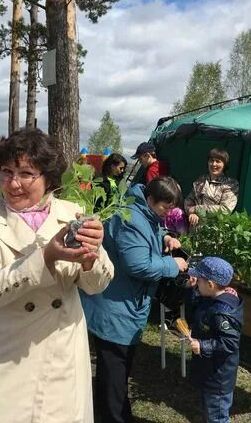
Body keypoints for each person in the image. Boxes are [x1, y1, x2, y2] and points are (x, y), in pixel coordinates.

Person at [0, 128, 114, 423]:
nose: (13, 183)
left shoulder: (73, 214)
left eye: (26, 173)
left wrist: (92, 256)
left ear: (48, 177)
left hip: (58, 358)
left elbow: (96, 286)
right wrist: (46, 257)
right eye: (6, 171)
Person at [81, 176, 188, 423]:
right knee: (115, 366)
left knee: (115, 366)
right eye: (165, 207)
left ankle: (110, 411)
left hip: (124, 301)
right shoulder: (131, 220)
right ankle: (114, 416)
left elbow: (153, 225)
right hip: (115, 304)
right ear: (150, 199)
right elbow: (138, 265)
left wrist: (164, 237)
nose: (167, 212)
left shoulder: (141, 209)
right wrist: (172, 264)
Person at [187, 256, 243, 423]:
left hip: (218, 379)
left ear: (210, 285)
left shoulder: (222, 312)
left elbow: (229, 342)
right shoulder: (211, 298)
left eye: (199, 280)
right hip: (209, 372)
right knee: (209, 412)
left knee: (217, 416)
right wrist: (191, 290)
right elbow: (196, 309)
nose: (196, 282)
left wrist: (203, 346)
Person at [184, 148, 240, 227]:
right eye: (211, 160)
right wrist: (191, 213)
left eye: (218, 161)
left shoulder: (231, 184)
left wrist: (197, 209)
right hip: (195, 229)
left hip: (215, 230)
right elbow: (189, 200)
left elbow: (225, 210)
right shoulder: (201, 180)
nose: (214, 164)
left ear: (224, 164)